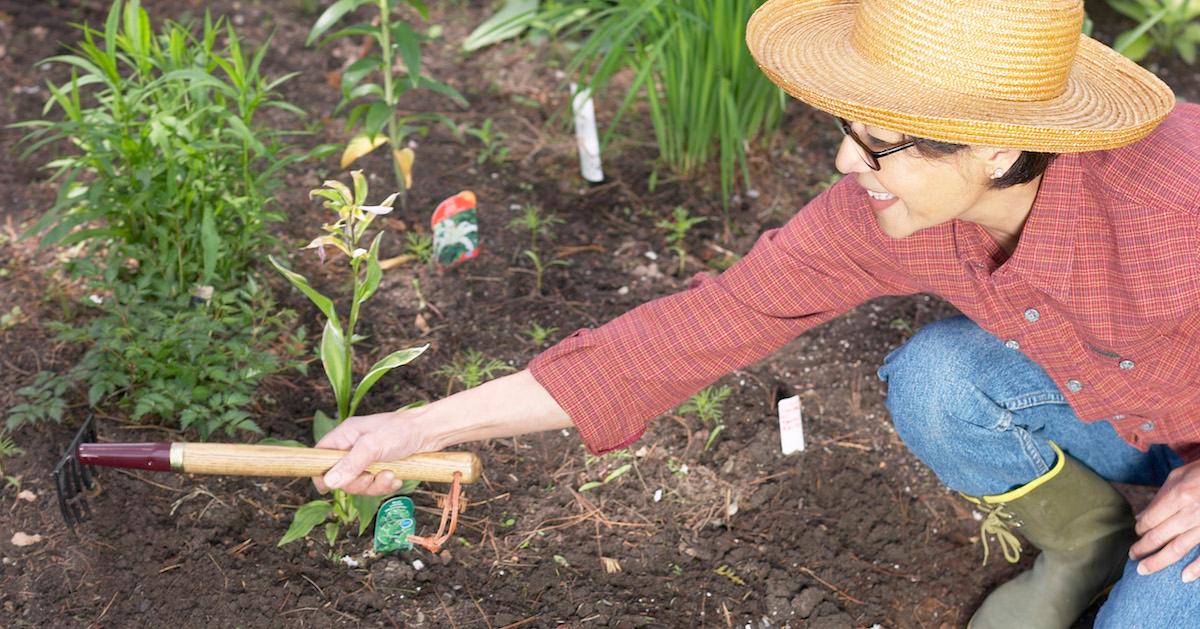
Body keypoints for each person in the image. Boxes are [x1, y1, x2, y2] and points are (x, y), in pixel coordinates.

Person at [313, 0, 1200, 626]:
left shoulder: (1176, 196)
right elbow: (687, 334)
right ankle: (1085, 550)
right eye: (849, 127)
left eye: (877, 141)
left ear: (999, 145)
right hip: (1137, 408)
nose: (848, 162)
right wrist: (414, 425)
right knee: (937, 380)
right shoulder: (889, 216)